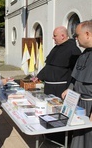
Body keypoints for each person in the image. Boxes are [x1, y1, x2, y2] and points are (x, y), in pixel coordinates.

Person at [62, 20, 92, 148]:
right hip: (80, 104)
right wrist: (70, 89)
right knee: (79, 139)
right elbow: (76, 77)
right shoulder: (84, 54)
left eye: (77, 35)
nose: (75, 38)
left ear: (87, 34)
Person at [34, 26, 81, 98]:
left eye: (55, 36)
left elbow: (75, 71)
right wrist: (39, 76)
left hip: (60, 88)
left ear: (62, 36)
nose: (53, 38)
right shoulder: (56, 48)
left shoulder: (73, 50)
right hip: (49, 87)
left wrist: (70, 88)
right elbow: (49, 65)